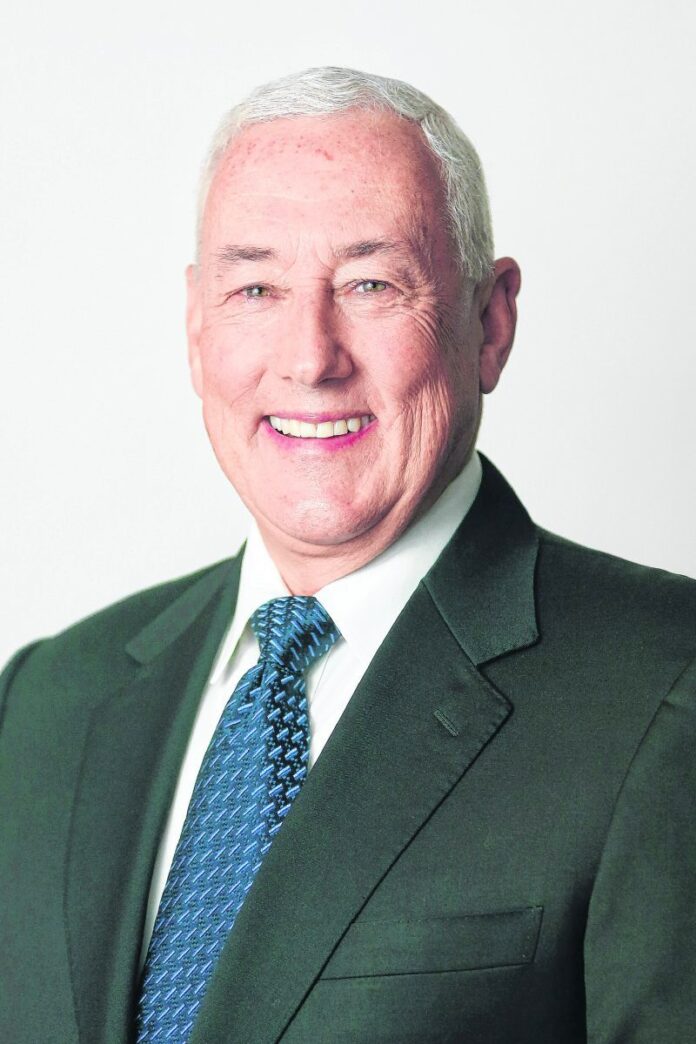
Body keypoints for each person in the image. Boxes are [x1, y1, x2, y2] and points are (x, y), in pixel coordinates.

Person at [1, 66, 694, 1044]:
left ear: (490, 322)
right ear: (197, 329)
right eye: (255, 288)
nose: (310, 357)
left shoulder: (665, 689)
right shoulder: (43, 705)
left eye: (372, 284)